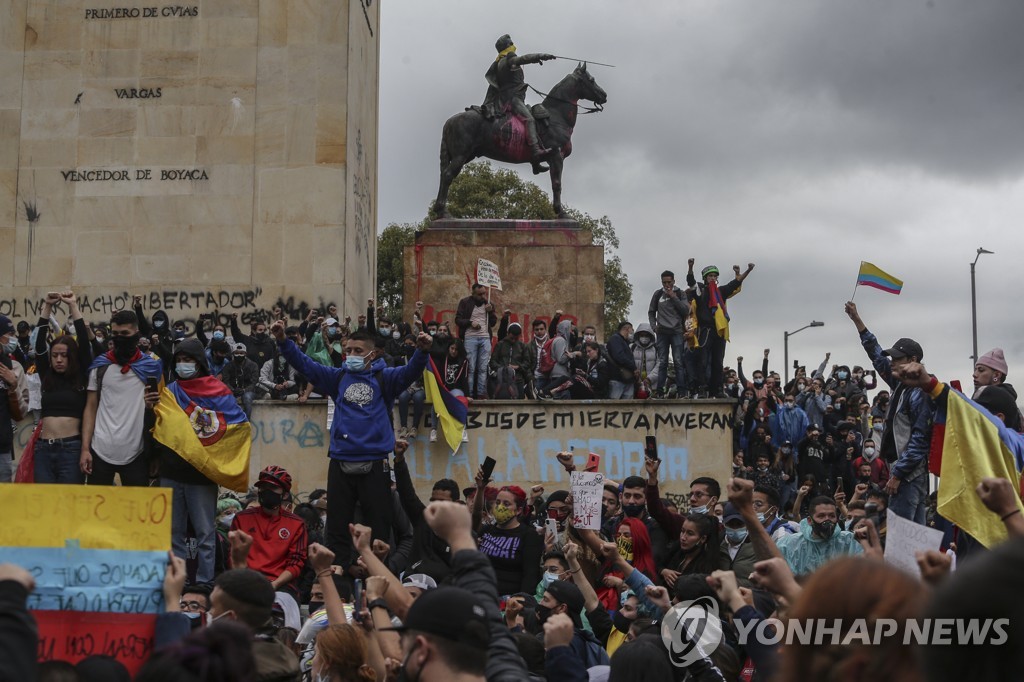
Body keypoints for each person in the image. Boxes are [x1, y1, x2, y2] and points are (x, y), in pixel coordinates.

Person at [271, 320, 432, 567]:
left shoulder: (385, 378)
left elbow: (409, 372)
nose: (351, 356)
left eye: (358, 351)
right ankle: (338, 580)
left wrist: (421, 352)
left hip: (375, 463)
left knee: (378, 527)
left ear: (373, 353)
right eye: (348, 351)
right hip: (340, 461)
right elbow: (306, 365)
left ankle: (376, 580)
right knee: (336, 528)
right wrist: (284, 341)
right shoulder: (338, 378)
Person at [845, 301, 931, 524]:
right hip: (905, 473)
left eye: (897, 359)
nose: (891, 363)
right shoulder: (900, 384)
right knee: (915, 538)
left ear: (913, 361)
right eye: (892, 358)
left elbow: (920, 440)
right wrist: (857, 320)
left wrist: (899, 474)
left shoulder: (919, 392)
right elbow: (876, 355)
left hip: (910, 475)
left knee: (902, 539)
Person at [155, 339, 227, 583]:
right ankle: (178, 583)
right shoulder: (170, 391)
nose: (183, 365)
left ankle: (205, 584)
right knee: (173, 533)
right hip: (171, 471)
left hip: (201, 474)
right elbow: (160, 427)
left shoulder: (217, 391)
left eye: (189, 360)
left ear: (200, 363)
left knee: (206, 533)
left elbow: (230, 427)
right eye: (180, 360)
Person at [80, 309, 162, 486]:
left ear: (136, 334)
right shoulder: (100, 366)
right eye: (115, 334)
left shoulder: (151, 368)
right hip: (99, 450)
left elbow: (159, 411)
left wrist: (155, 454)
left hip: (136, 453)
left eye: (125, 333)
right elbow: (91, 407)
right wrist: (85, 448)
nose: (120, 338)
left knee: (136, 511)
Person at [32, 292, 92, 483]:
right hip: (43, 449)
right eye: (55, 355)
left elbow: (83, 340)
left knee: (68, 506)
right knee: (45, 506)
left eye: (64, 355)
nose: (58, 359)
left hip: (71, 449)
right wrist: (47, 307)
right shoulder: (46, 376)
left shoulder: (81, 375)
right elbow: (39, 344)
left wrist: (73, 306)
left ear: (72, 357)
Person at [206, 568, 301, 680]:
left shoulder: (223, 666)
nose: (210, 612)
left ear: (230, 618)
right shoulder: (287, 659)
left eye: (213, 606)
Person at [231, 466, 309, 597]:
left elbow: (296, 563)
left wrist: (274, 584)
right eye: (263, 487)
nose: (267, 492)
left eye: (273, 488)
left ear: (284, 494)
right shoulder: (241, 518)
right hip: (245, 582)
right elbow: (234, 556)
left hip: (281, 586)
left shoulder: (296, 524)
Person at [687, 260, 755, 398]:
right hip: (706, 330)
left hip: (719, 330)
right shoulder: (701, 292)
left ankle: (717, 390)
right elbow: (691, 283)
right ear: (705, 278)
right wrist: (690, 267)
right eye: (710, 276)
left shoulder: (721, 292)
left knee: (718, 362)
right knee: (703, 360)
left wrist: (748, 270)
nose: (713, 278)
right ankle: (701, 388)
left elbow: (735, 283)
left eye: (715, 276)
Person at [482, 34, 556, 159]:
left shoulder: (498, 62)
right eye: (511, 43)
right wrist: (540, 56)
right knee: (529, 120)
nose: (513, 45)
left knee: (534, 115)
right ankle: (535, 150)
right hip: (512, 99)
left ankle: (535, 163)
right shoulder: (508, 58)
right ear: (507, 46)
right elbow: (522, 59)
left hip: (506, 98)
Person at [776, 496, 863, 576]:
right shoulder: (790, 545)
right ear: (810, 521)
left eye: (832, 516)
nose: (827, 520)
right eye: (821, 516)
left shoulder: (850, 541)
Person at [647, 270, 689, 398]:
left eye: (669, 282)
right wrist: (654, 327)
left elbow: (685, 310)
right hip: (662, 333)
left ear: (674, 281)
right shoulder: (658, 294)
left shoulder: (680, 293)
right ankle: (660, 391)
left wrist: (673, 296)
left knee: (678, 361)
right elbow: (651, 312)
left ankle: (682, 392)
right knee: (662, 362)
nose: (667, 285)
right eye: (664, 282)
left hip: (676, 331)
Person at [455, 283, 497, 400]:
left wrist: (490, 311)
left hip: (485, 338)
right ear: (473, 293)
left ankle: (480, 394)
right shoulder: (465, 302)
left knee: (483, 368)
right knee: (471, 367)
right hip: (470, 338)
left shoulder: (488, 303)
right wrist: (470, 323)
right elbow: (458, 319)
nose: (482, 296)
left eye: (484, 293)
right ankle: (469, 394)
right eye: (479, 294)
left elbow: (493, 323)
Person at [222, 343, 260, 418]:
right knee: (226, 398)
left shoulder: (253, 365)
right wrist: (232, 390)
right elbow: (226, 381)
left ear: (245, 354)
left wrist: (244, 390)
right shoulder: (228, 366)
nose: (239, 355)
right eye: (236, 353)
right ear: (233, 354)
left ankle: (246, 421)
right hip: (232, 391)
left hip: (248, 391)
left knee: (247, 398)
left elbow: (254, 382)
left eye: (241, 353)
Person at [606, 321, 637, 400]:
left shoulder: (625, 342)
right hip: (617, 379)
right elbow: (619, 357)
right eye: (632, 330)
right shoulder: (615, 339)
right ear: (626, 329)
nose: (632, 332)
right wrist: (633, 367)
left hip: (627, 379)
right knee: (614, 406)